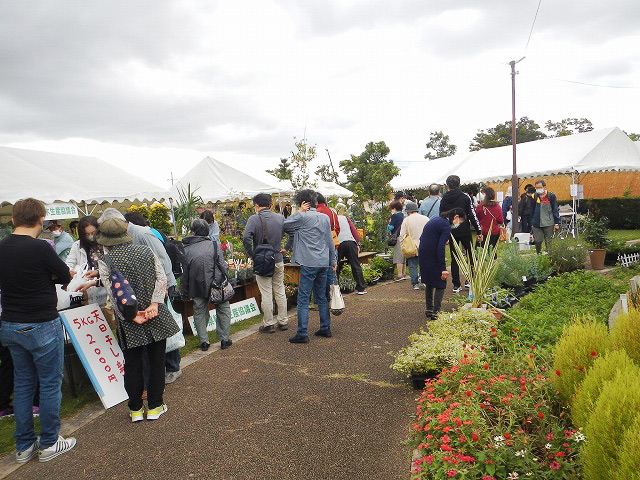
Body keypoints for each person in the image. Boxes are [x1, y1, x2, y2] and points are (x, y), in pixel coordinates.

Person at [0, 198, 76, 463]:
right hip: (41, 323)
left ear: (13, 219)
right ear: (41, 219)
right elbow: (66, 276)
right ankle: (50, 442)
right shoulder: (40, 248)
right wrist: (50, 276)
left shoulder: (2, 247)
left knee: (22, 384)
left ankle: (23, 446)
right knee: (49, 384)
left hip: (10, 323)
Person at [96, 216, 179, 422]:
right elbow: (161, 278)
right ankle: (155, 406)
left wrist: (132, 315)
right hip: (155, 315)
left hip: (128, 320)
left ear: (105, 240)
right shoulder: (146, 251)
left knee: (132, 364)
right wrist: (154, 304)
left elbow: (113, 294)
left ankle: (134, 409)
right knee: (156, 362)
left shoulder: (106, 261)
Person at [283, 189, 336, 343]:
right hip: (323, 262)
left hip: (308, 262)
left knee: (303, 298)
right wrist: (332, 261)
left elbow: (284, 225)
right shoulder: (324, 217)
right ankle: (325, 328)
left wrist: (299, 212)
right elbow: (330, 240)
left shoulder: (302, 217)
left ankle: (302, 333)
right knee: (321, 297)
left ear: (302, 203)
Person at [181, 219, 233, 351]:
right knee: (223, 309)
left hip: (196, 284)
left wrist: (184, 290)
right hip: (217, 283)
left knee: (199, 312)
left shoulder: (186, 249)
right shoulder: (215, 245)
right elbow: (222, 266)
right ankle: (224, 339)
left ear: (193, 232)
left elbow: (185, 274)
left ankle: (204, 341)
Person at [243, 193, 289, 333]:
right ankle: (283, 321)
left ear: (256, 206)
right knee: (280, 290)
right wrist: (286, 248)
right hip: (278, 258)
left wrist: (252, 254)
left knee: (266, 292)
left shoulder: (253, 219)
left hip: (262, 260)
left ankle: (269, 324)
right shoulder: (280, 218)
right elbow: (292, 233)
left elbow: (246, 238)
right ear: (270, 204)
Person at [419, 208, 465, 319]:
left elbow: (424, 237)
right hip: (433, 254)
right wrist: (443, 268)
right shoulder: (445, 226)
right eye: (459, 222)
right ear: (456, 217)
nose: (458, 224)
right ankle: (436, 312)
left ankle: (429, 308)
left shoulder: (437, 220)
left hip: (423, 252)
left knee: (430, 282)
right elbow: (441, 247)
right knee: (441, 282)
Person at [439, 175, 482, 293]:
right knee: (470, 255)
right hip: (464, 230)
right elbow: (472, 214)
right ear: (459, 184)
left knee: (455, 258)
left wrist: (444, 234)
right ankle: (471, 281)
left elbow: (441, 216)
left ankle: (456, 285)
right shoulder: (465, 197)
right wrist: (478, 231)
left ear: (447, 185)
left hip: (451, 231)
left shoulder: (444, 199)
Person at [335, 203, 366, 295]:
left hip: (338, 243)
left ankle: (336, 289)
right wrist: (357, 243)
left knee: (335, 265)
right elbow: (354, 231)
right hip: (350, 242)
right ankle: (361, 288)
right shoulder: (345, 218)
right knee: (355, 265)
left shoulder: (332, 218)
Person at [316, 193, 340, 308]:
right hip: (333, 245)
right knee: (331, 272)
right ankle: (334, 298)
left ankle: (320, 300)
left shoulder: (316, 212)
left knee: (319, 275)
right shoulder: (332, 212)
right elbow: (337, 228)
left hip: (319, 247)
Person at [398, 201, 429, 290]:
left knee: (412, 265)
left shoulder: (406, 220)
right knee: (425, 264)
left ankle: (415, 283)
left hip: (411, 246)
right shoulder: (425, 218)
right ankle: (424, 279)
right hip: (425, 244)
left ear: (408, 211)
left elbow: (402, 234)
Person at [531, 180, 560, 254]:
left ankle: (550, 257)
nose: (538, 189)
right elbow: (531, 210)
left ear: (544, 187)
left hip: (549, 222)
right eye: (536, 188)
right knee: (537, 241)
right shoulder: (534, 196)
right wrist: (531, 222)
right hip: (537, 223)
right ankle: (539, 255)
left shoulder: (551, 195)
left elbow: (555, 209)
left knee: (548, 242)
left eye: (540, 187)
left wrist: (556, 223)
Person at [388, 200, 406, 281]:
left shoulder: (394, 216)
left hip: (397, 237)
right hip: (404, 237)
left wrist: (388, 223)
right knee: (404, 256)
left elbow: (390, 228)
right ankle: (403, 273)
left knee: (398, 256)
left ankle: (399, 275)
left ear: (394, 208)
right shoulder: (403, 215)